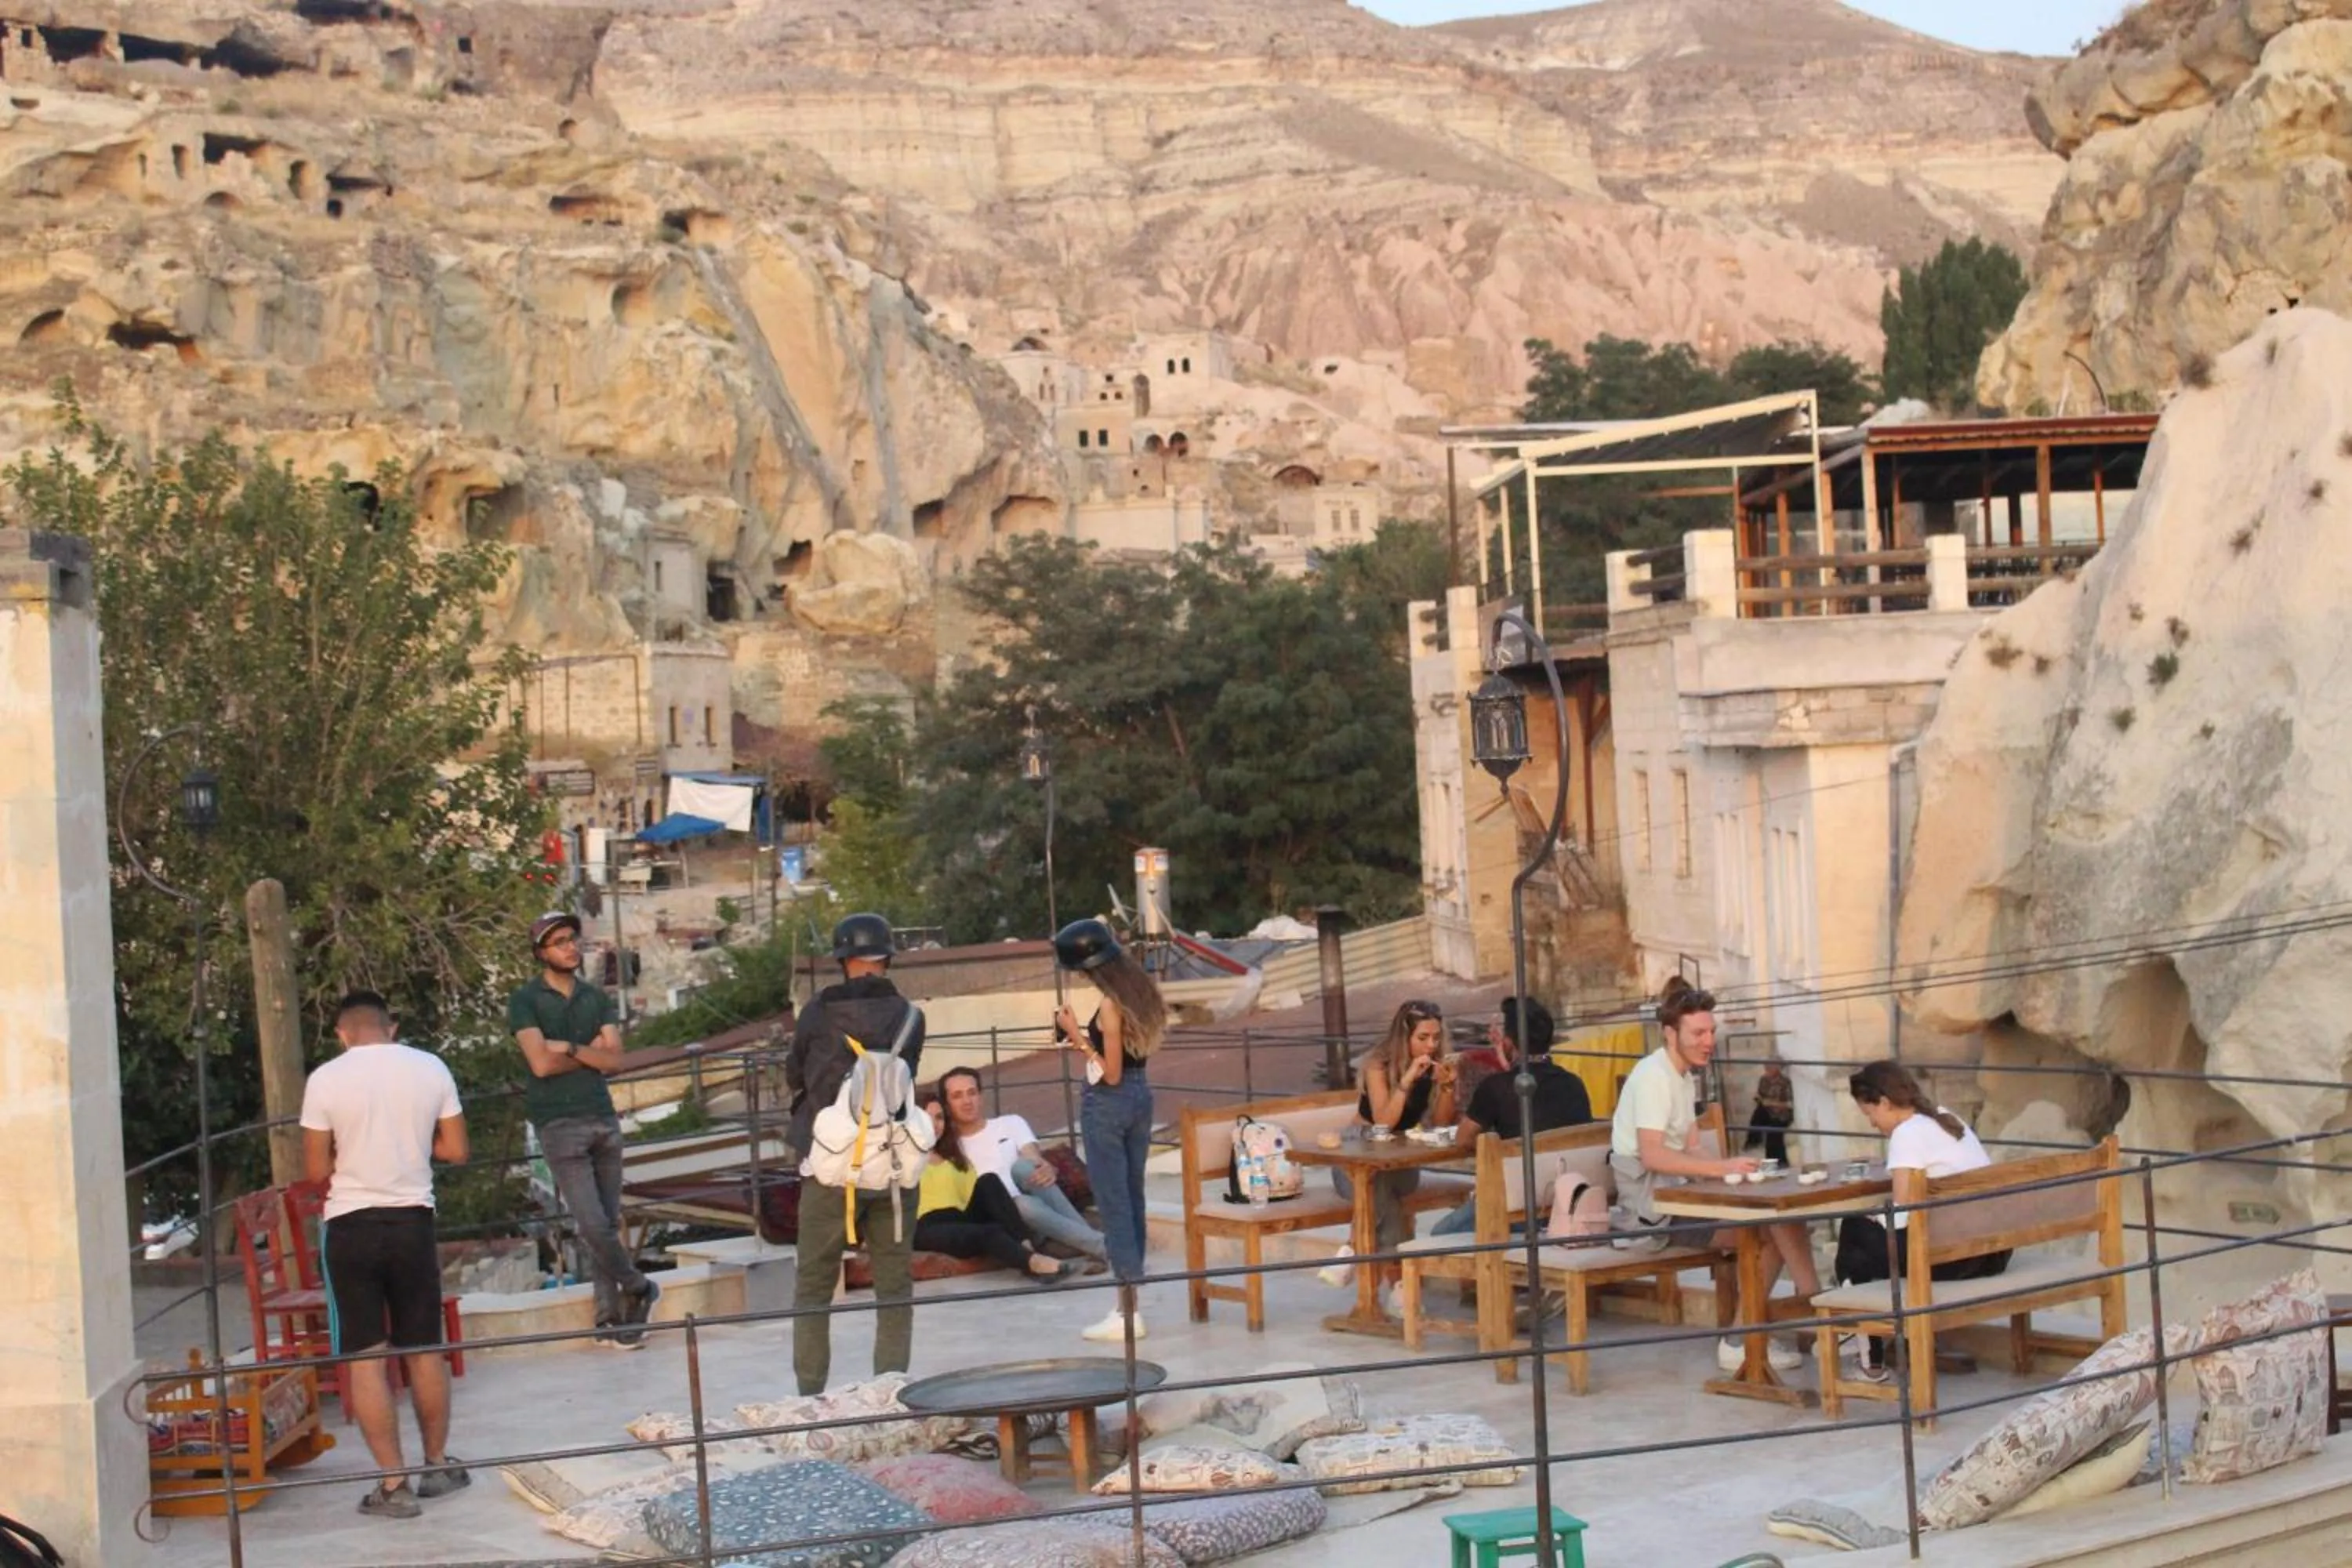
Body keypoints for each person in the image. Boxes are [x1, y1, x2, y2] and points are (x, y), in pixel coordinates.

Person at [299, 991, 470, 1519]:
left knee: (366, 1357)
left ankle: (393, 1485)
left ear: (341, 1033)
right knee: (424, 1348)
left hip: (350, 1226)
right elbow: (457, 1151)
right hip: (412, 1221)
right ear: (390, 1027)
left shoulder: (325, 1079)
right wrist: (415, 1146)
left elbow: (314, 1172)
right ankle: (436, 1464)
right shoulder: (431, 1067)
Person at [1610, 978, 1821, 1374]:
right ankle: (1807, 1320)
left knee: (1781, 1221)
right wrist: (1720, 1169)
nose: (1708, 1041)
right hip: (1652, 1209)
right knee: (1772, 1226)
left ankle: (1770, 1329)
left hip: (1678, 1196)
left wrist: (1734, 1174)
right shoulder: (1653, 1077)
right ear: (1670, 1033)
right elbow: (1654, 1155)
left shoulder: (1683, 1074)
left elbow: (1690, 1146)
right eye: (1698, 1033)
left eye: (1711, 1032)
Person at [786, 911, 926, 1395]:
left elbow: (796, 1075)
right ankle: (889, 1394)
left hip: (828, 1168)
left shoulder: (817, 1014)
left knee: (813, 1289)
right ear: (886, 956)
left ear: (842, 959)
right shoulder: (912, 1017)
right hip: (890, 1169)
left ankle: (811, 1396)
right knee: (894, 1290)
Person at [508, 911, 660, 1348]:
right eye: (559, 942)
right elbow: (539, 1063)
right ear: (541, 952)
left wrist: (568, 1047)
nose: (570, 948)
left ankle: (609, 1319)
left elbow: (616, 1061)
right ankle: (639, 1287)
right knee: (592, 1224)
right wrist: (590, 1051)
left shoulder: (595, 997)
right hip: (558, 1121)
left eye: (572, 939)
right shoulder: (526, 1000)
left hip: (602, 1116)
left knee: (607, 1222)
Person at [1835, 1060, 2009, 1381]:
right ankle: (1879, 1333)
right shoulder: (1946, 1119)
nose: (1872, 1123)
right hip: (1991, 1252)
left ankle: (1866, 1351)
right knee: (1869, 1241)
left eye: (1870, 1114)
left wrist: (1874, 1216)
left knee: (1854, 1231)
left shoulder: (1907, 1134)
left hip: (1954, 1260)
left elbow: (1902, 1216)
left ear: (1885, 1103)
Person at [1053, 917, 1166, 1343]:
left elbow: (1112, 1072)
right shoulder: (1141, 993)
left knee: (1113, 1202)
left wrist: (1077, 1038)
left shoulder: (1109, 1006)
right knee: (1132, 1196)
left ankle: (1126, 1309)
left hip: (1110, 1103)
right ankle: (1133, 1297)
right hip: (1142, 1098)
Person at [1431, 996, 1593, 1236]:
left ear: (1508, 1041)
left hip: (1516, 1208)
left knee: (1439, 1235)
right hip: (1565, 1204)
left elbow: (1463, 1140)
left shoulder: (1496, 1088)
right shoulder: (1574, 1084)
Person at [1339, 1000, 1457, 1308]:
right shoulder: (1377, 1066)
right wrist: (1405, 1083)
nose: (1431, 1045)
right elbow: (1382, 1124)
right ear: (1404, 1037)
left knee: (1383, 1186)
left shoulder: (1435, 1064)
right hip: (1356, 1153)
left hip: (1400, 1158)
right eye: (1423, 1038)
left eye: (1436, 1037)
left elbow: (1443, 1123)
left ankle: (1352, 1251)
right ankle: (1398, 1285)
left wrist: (1446, 1088)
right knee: (1379, 1187)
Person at [936, 1065, 1106, 1261]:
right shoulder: (949, 1149)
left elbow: (1033, 1157)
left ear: (981, 1096)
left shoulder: (1011, 1123)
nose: (967, 1101)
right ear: (947, 1105)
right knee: (1023, 1204)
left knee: (1023, 1168)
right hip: (1008, 1220)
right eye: (957, 1096)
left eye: (972, 1093)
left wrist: (1044, 1167)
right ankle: (1101, 1245)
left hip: (1042, 1203)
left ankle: (1095, 1245)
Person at [913, 1100, 1082, 1281]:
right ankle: (1034, 1263)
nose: (934, 1124)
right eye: (926, 1118)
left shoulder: (955, 1159)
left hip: (959, 1217)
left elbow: (974, 1198)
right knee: (989, 1232)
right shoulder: (904, 1159)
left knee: (989, 1180)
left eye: (939, 1118)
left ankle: (1027, 1249)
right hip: (926, 1226)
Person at [1746, 1053, 1795, 1167]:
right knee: (1758, 1113)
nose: (1766, 1068)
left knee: (1773, 1136)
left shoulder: (1785, 1082)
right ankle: (1753, 1141)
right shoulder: (1764, 1080)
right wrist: (1759, 1099)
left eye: (1770, 1066)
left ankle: (1781, 1163)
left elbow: (1789, 1104)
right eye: (1766, 1066)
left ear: (1778, 1068)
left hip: (1781, 1115)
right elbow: (1761, 1096)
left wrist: (1772, 1103)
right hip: (1768, 1112)